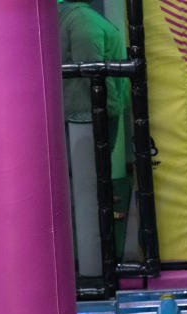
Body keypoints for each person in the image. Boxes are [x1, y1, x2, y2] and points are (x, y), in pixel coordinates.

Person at [58, 0, 131, 275]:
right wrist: (111, 107)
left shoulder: (71, 13)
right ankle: (98, 224)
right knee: (93, 168)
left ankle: (101, 203)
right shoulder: (83, 21)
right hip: (90, 111)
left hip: (83, 109)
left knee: (92, 167)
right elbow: (92, 70)